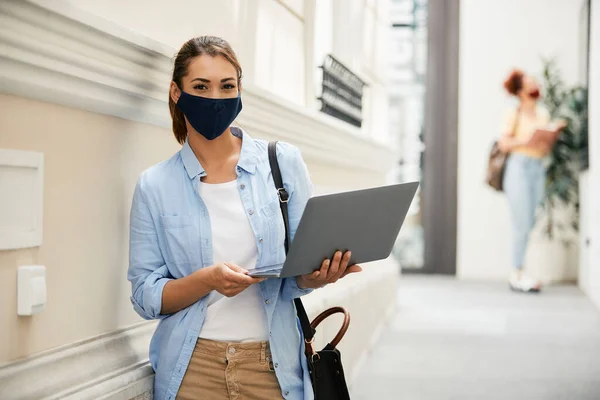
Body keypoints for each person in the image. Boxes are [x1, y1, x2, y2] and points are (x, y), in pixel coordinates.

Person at [127, 36, 362, 400]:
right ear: (176, 92)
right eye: (201, 87)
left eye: (227, 86)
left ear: (240, 90)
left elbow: (297, 271)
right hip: (192, 369)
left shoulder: (282, 163)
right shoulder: (154, 185)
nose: (215, 98)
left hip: (271, 366)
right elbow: (145, 296)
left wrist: (318, 275)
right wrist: (207, 280)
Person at [498, 69, 565, 293]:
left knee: (530, 219)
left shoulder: (542, 114)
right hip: (519, 167)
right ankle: (516, 273)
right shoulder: (514, 113)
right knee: (521, 223)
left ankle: (520, 270)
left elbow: (544, 148)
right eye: (530, 85)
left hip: (538, 167)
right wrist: (527, 140)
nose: (535, 87)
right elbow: (504, 144)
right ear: (520, 91)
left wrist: (547, 138)